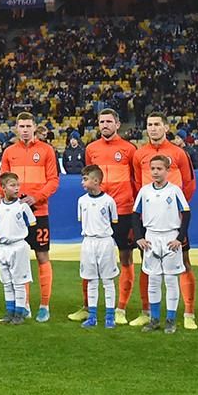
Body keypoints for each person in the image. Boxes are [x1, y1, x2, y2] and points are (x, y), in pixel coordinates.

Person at [74, 109, 141, 323]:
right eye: (102, 121)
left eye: (109, 121)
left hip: (123, 210)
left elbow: (136, 179)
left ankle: (120, 308)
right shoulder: (91, 148)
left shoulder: (129, 149)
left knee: (126, 257)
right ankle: (87, 306)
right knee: (90, 259)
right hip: (96, 213)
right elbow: (88, 175)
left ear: (118, 124)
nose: (105, 125)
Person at [0, 111, 60, 322]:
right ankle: (23, 304)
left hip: (39, 211)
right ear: (17, 128)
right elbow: (3, 180)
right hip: (15, 215)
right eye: (21, 126)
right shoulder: (9, 152)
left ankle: (44, 305)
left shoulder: (46, 150)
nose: (25, 130)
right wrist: (1, 197)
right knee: (18, 259)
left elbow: (53, 180)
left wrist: (37, 197)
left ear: (35, 127)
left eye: (28, 126)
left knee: (42, 256)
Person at [137, 114, 198, 326]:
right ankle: (150, 314)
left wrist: (173, 209)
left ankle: (188, 313)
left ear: (165, 127)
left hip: (173, 226)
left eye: (157, 125)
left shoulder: (178, 153)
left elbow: (189, 184)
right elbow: (137, 182)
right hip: (151, 227)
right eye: (149, 125)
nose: (153, 129)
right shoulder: (140, 154)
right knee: (150, 271)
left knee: (183, 265)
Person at [133, 153, 190, 334]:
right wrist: (139, 237)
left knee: (171, 280)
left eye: (159, 169)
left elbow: (186, 213)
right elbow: (135, 215)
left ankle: (171, 319)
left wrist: (179, 238)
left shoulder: (174, 191)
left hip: (170, 238)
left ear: (167, 170)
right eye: (153, 169)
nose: (155, 172)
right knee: (154, 280)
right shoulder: (145, 191)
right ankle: (154, 319)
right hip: (151, 238)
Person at [76, 164, 120, 330]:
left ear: (96, 181)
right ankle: (92, 316)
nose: (82, 182)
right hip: (88, 242)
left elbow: (113, 221)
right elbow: (82, 220)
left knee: (108, 281)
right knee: (91, 280)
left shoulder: (109, 201)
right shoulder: (82, 201)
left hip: (105, 242)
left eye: (85, 179)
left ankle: (110, 316)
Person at [0, 171, 35, 325]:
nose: (17, 188)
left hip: (18, 247)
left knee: (19, 282)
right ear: (3, 187)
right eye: (12, 185)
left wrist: (19, 239)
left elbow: (32, 224)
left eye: (18, 185)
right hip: (2, 248)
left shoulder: (22, 206)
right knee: (7, 282)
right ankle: (9, 312)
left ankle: (19, 313)